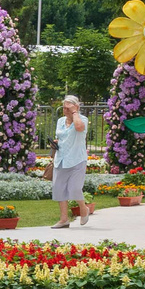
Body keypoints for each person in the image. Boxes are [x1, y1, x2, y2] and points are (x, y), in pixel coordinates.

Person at [51, 96, 95, 228]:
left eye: (68, 108)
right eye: (64, 107)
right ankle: (64, 219)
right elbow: (62, 136)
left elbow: (79, 128)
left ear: (76, 108)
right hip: (61, 159)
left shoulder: (83, 120)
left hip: (77, 159)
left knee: (74, 188)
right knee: (59, 189)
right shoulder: (60, 121)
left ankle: (84, 208)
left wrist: (75, 113)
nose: (65, 110)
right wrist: (56, 143)